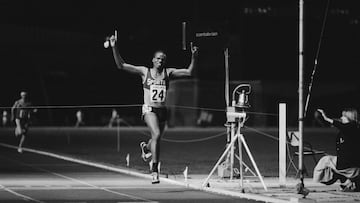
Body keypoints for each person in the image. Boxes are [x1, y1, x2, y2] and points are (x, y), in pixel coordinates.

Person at [108, 33, 198, 184]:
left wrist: (194, 56)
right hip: (149, 109)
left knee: (156, 139)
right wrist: (114, 47)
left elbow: (189, 72)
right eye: (158, 58)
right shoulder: (145, 72)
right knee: (156, 134)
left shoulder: (168, 73)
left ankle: (145, 147)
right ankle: (155, 170)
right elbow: (121, 65)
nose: (160, 60)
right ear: (153, 60)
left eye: (163, 59)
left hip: (162, 111)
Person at [314, 108, 360, 192]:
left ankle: (320, 181)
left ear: (349, 118)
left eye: (343, 116)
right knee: (330, 163)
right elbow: (336, 125)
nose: (341, 117)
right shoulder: (350, 129)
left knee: (325, 160)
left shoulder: (352, 128)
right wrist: (322, 119)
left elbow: (342, 126)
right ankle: (348, 182)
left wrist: (326, 118)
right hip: (351, 163)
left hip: (349, 164)